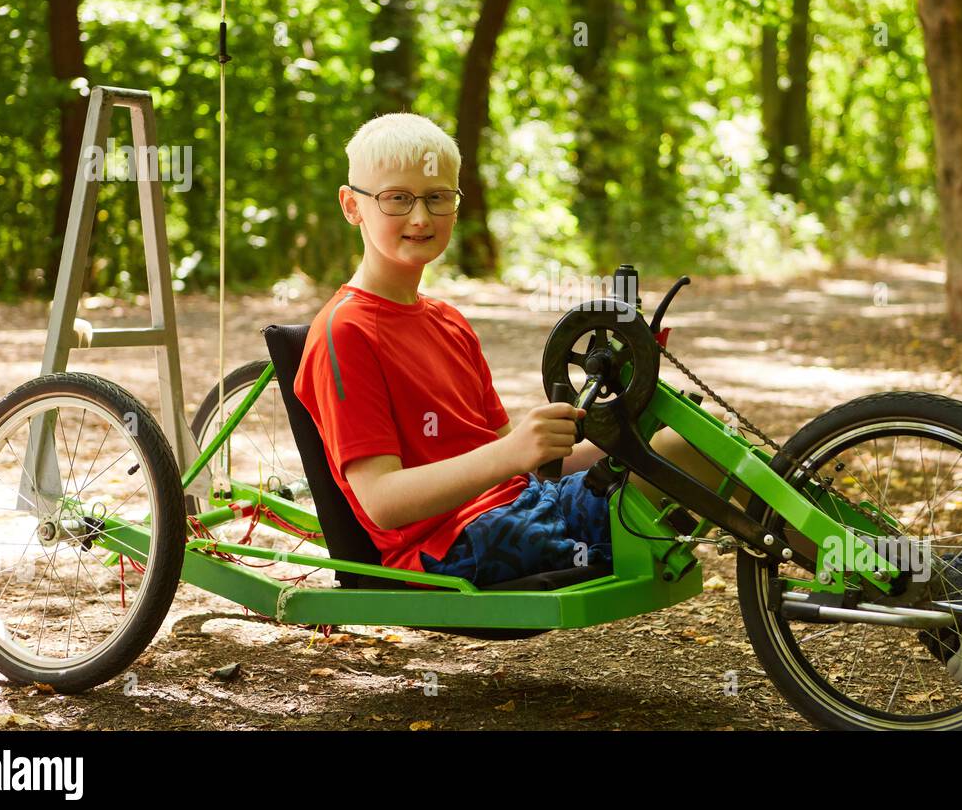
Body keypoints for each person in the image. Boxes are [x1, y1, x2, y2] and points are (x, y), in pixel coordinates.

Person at [294, 113, 734, 589]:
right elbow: (382, 500)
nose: (420, 217)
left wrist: (626, 437)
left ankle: (825, 559)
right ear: (352, 205)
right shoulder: (345, 333)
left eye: (437, 197)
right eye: (397, 198)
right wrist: (514, 452)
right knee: (675, 468)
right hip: (456, 546)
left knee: (688, 444)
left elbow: (530, 466)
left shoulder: (449, 322)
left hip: (526, 508)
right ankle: (823, 562)